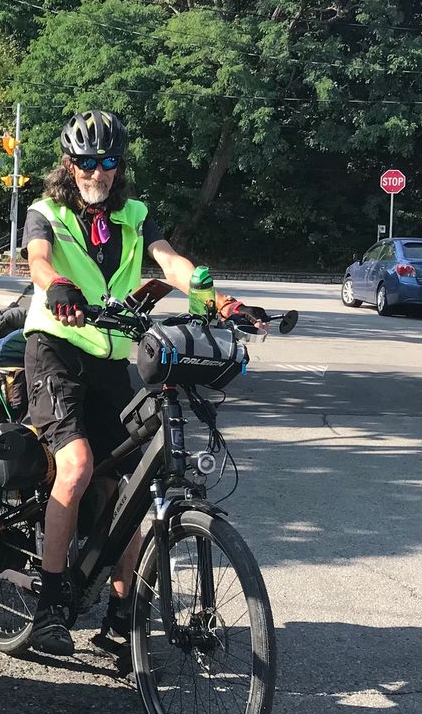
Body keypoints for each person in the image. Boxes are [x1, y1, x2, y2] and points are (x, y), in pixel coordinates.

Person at [21, 110, 266, 655]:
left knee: (135, 484)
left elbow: (170, 262)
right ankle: (51, 605)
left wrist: (216, 299)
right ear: (70, 164)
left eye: (108, 162)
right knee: (78, 464)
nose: (97, 172)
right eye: (87, 162)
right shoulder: (47, 212)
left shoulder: (134, 214)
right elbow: (38, 260)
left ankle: (121, 610)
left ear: (119, 167)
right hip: (55, 349)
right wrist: (58, 285)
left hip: (109, 359)